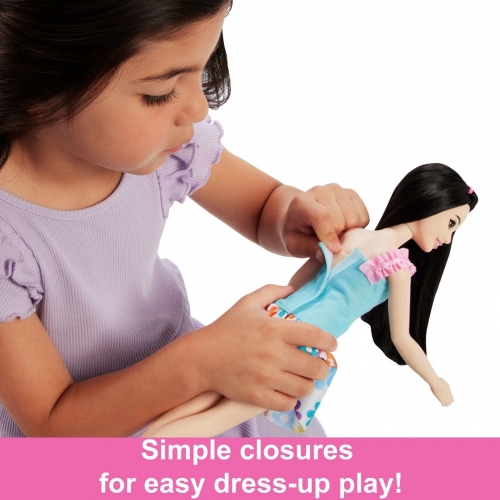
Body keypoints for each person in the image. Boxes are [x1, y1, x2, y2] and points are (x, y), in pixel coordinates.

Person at [0, 0, 369, 437]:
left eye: (203, 68)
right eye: (160, 93)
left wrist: (294, 215)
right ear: (39, 88)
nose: (197, 108)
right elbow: (53, 424)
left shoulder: (162, 151)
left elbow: (263, 206)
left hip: (195, 382)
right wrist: (200, 363)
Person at [141, 164, 478, 437]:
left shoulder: (353, 234)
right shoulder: (398, 267)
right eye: (451, 223)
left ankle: (134, 450)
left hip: (275, 317)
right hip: (298, 344)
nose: (447, 238)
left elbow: (295, 283)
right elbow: (402, 337)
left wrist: (266, 314)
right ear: (431, 202)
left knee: (201, 401)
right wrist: (434, 380)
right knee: (221, 417)